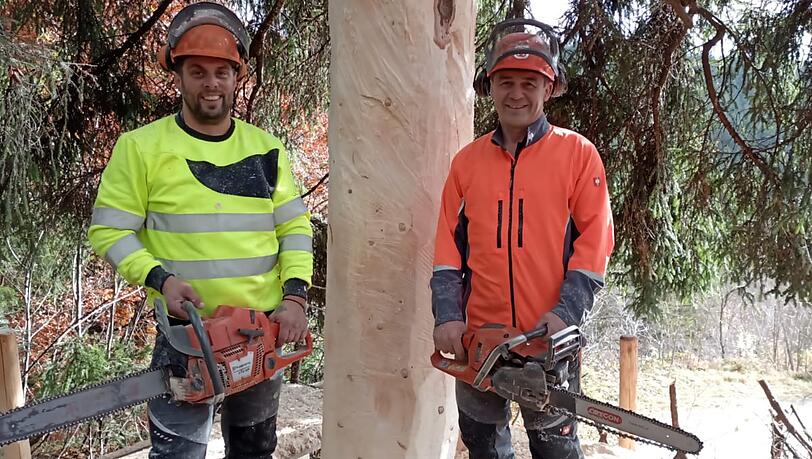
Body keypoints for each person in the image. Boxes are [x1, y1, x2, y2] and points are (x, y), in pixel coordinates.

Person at [87, 3, 313, 457]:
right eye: (198, 72)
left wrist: (294, 297)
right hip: (184, 334)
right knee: (177, 453)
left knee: (253, 450)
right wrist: (161, 280)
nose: (211, 84)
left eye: (221, 72)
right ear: (178, 76)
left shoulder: (266, 149)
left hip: (261, 329)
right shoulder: (142, 148)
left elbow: (294, 227)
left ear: (236, 77)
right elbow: (109, 231)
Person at [430, 18, 615, 459]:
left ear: (548, 87)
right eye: (506, 81)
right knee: (484, 448)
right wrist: (447, 316)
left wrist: (566, 312)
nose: (516, 93)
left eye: (529, 82)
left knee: (556, 450)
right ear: (490, 85)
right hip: (479, 341)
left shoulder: (577, 155)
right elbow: (446, 252)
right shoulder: (467, 164)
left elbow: (595, 243)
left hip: (548, 340)